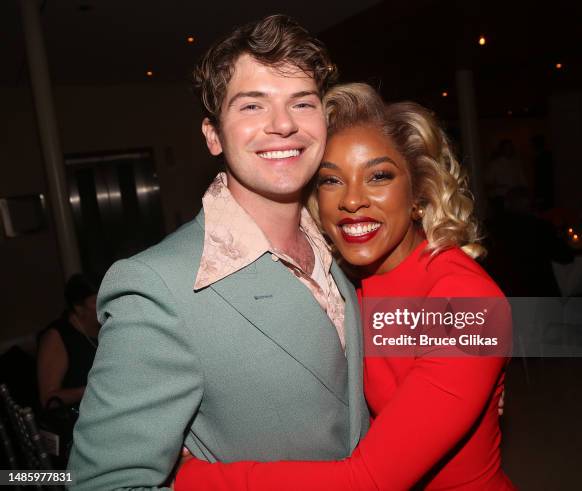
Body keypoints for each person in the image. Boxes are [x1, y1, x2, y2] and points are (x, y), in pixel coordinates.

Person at [67, 15, 369, 490]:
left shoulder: (343, 243)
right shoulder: (157, 287)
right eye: (252, 105)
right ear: (213, 135)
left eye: (302, 103)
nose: (284, 124)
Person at [174, 84, 515, 490]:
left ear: (419, 192)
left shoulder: (465, 303)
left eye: (379, 176)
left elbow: (368, 479)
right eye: (331, 180)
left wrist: (193, 478)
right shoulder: (346, 279)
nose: (352, 200)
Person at [37, 274, 99, 409]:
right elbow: (49, 399)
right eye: (96, 301)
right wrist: (97, 388)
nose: (105, 305)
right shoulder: (56, 336)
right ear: (78, 307)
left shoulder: (111, 326)